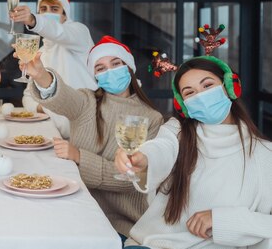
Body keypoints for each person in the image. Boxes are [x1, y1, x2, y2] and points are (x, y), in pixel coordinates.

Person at [115, 56, 272, 248]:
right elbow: (162, 147)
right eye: (190, 93)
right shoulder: (178, 131)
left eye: (207, 86)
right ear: (184, 105)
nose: (201, 96)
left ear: (230, 87)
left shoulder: (265, 155)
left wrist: (222, 220)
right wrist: (143, 158)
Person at [23, 35, 164, 236]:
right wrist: (40, 75)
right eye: (100, 68)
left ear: (129, 67)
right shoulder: (86, 102)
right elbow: (61, 96)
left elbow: (130, 181)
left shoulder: (152, 118)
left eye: (116, 63)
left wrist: (79, 156)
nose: (110, 71)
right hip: (74, 212)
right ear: (95, 76)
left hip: (120, 224)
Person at [12, 0, 96, 138]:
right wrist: (47, 111)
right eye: (43, 9)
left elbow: (60, 32)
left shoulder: (79, 33)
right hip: (53, 135)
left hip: (86, 129)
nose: (48, 12)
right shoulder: (40, 52)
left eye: (55, 9)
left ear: (65, 15)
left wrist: (33, 20)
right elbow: (28, 96)